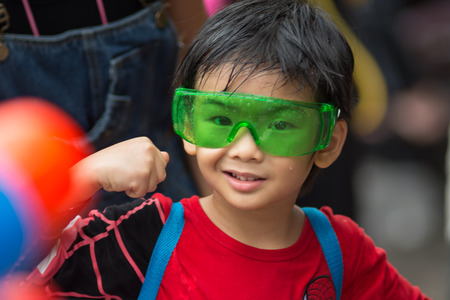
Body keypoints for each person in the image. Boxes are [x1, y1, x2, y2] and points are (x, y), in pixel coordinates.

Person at [27, 0, 429, 299]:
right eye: (220, 119)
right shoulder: (145, 237)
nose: (246, 149)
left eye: (281, 124)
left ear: (328, 142)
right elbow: (21, 271)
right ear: (186, 124)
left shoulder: (341, 251)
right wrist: (82, 178)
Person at [0, 0, 208, 210]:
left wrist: (213, 209)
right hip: (39, 221)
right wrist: (86, 177)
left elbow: (198, 77)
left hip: (172, 200)